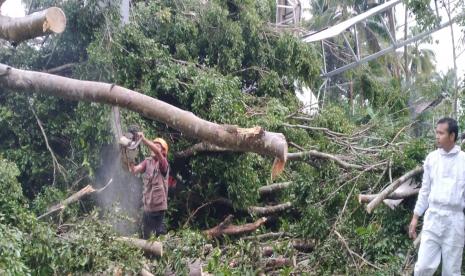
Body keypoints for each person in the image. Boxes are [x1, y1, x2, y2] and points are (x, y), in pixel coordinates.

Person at [408, 117, 465, 276]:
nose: (437, 136)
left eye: (441, 133)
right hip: (432, 218)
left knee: (451, 271)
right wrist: (415, 217)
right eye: (436, 132)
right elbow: (425, 191)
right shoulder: (431, 159)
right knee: (423, 268)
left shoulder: (463, 161)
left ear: (452, 136)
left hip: (455, 222)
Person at [129, 132, 169, 239]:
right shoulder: (147, 162)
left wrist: (144, 139)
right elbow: (134, 170)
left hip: (158, 208)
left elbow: (157, 152)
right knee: (146, 235)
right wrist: (130, 157)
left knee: (157, 234)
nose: (153, 148)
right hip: (147, 207)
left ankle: (160, 249)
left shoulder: (163, 163)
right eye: (153, 145)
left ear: (163, 152)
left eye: (157, 146)